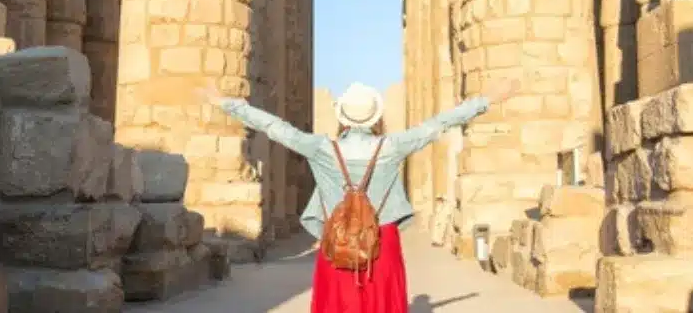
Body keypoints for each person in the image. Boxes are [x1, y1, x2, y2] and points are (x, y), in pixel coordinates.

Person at [199, 79, 519, 313]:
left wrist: (226, 103)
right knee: (382, 302)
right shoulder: (391, 147)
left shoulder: (322, 148)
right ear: (374, 118)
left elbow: (274, 127)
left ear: (343, 118)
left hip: (337, 238)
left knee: (338, 303)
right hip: (382, 237)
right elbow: (440, 124)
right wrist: (485, 100)